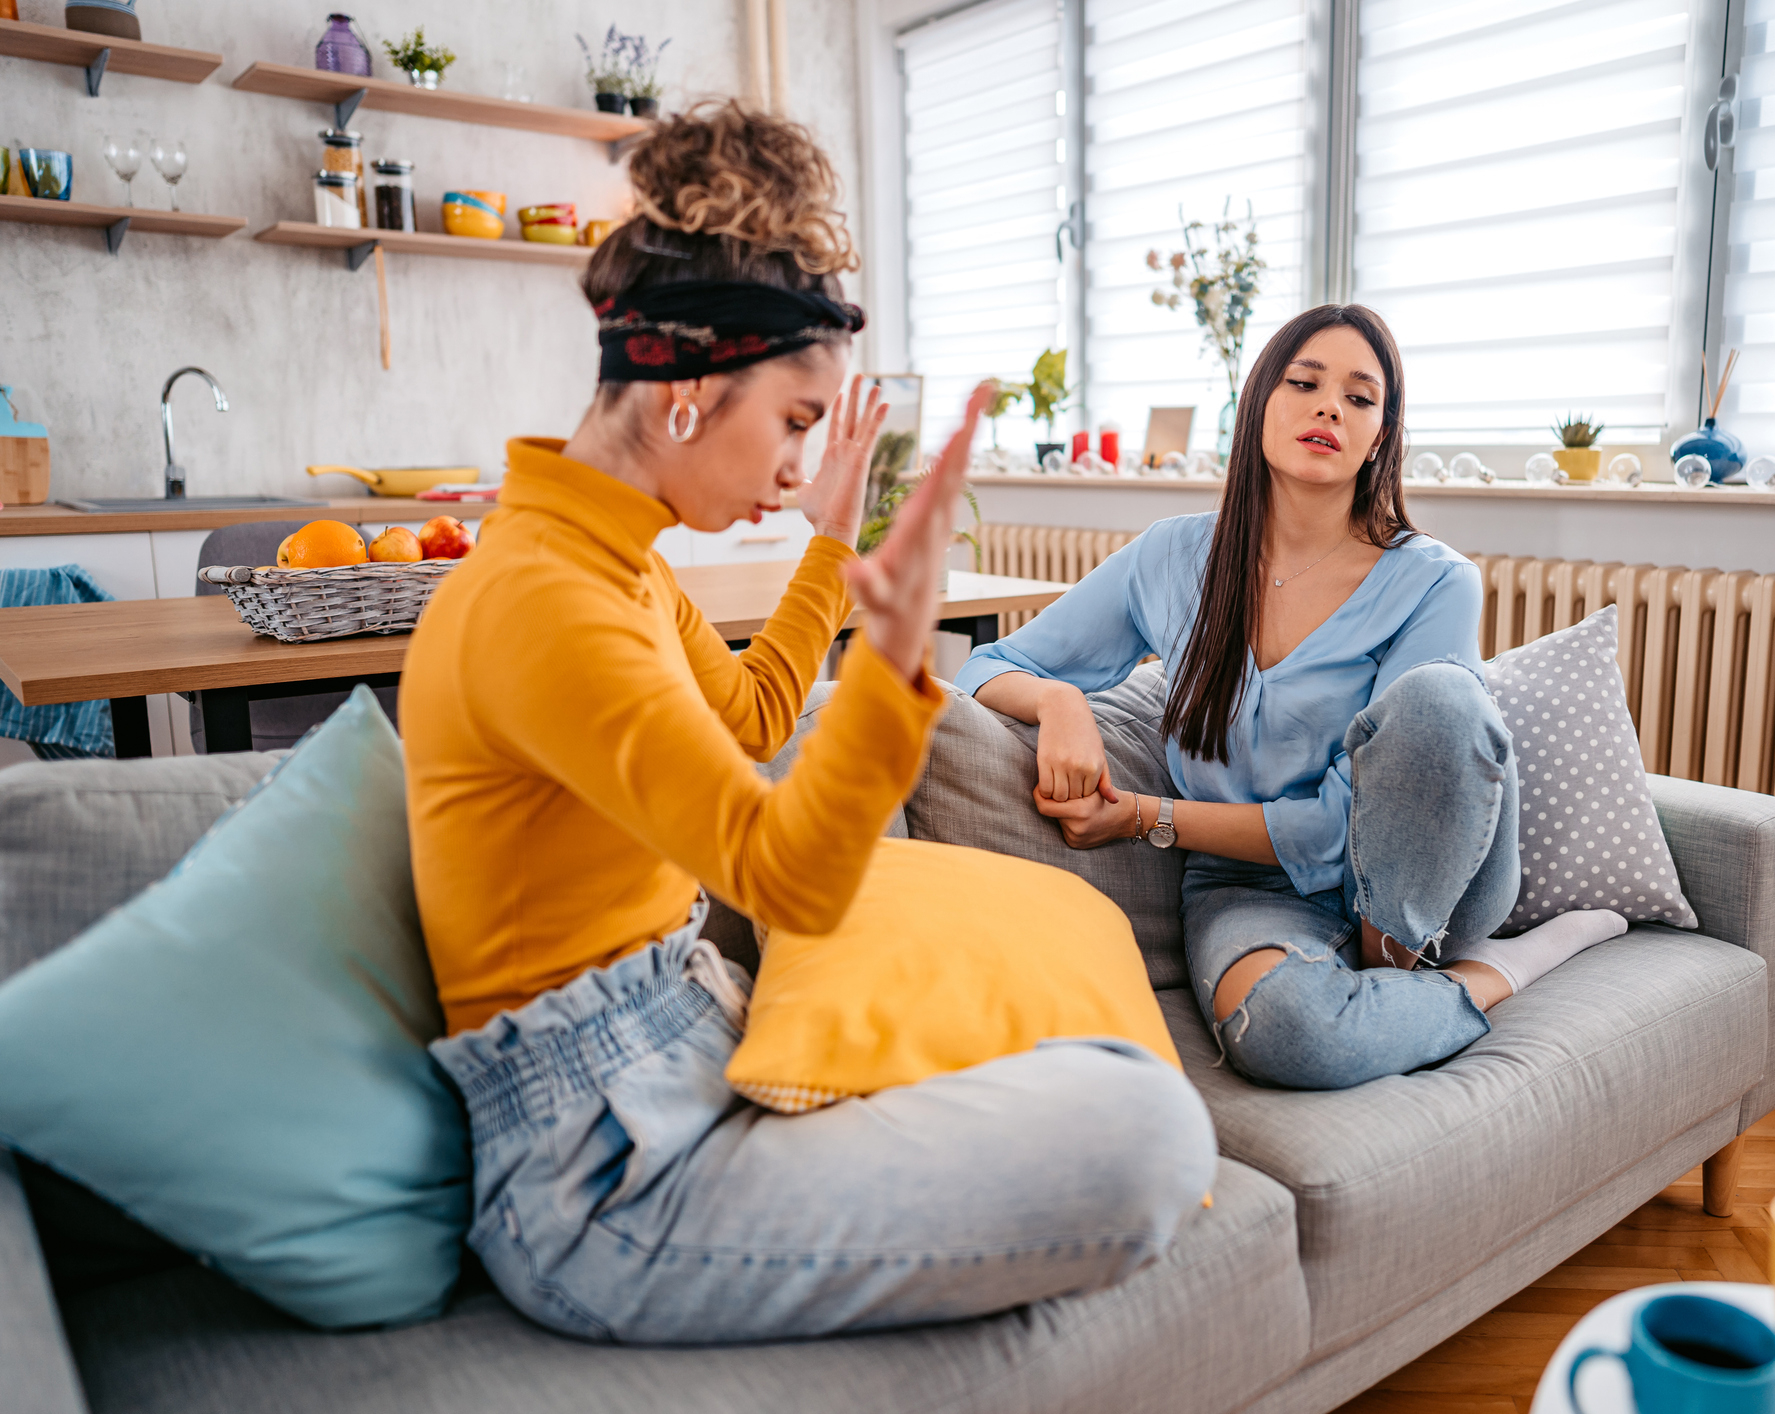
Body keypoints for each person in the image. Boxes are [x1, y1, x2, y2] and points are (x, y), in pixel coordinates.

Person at [399, 102, 1213, 1346]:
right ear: (686, 390)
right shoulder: (542, 601)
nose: (796, 463)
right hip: (597, 1174)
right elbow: (786, 870)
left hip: (681, 1034)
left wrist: (830, 545)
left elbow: (755, 715)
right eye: (792, 422)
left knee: (1100, 1065)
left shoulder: (617, 566)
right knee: (1149, 1133)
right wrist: (897, 649)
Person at [960, 304, 1626, 1092]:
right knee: (1283, 1031)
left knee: (1443, 698)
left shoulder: (1432, 578)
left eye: (1359, 397)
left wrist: (1144, 816)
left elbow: (1343, 826)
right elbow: (990, 664)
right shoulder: (1170, 556)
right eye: (1304, 382)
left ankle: (1407, 957)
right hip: (1247, 888)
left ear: (1379, 434)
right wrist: (1061, 703)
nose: (1328, 407)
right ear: (1258, 407)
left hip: (1427, 877)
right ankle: (1480, 982)